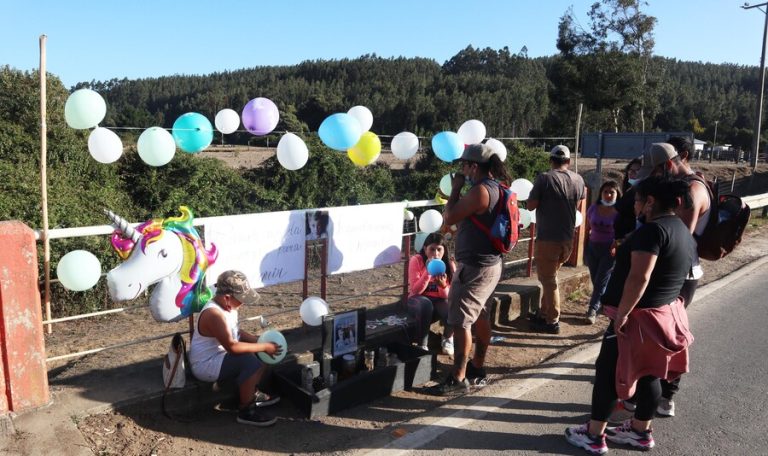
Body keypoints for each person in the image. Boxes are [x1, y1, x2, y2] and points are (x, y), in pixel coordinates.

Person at [564, 176, 696, 454]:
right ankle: (640, 431)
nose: (634, 205)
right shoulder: (682, 230)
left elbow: (640, 277)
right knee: (650, 373)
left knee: (608, 372)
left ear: (650, 202)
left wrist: (622, 315)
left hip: (637, 317)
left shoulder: (652, 231)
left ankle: (594, 435)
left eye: (636, 200)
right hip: (663, 314)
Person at [433, 143, 511, 395]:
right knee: (480, 316)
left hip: (475, 268)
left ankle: (458, 377)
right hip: (490, 264)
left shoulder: (480, 192)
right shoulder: (497, 187)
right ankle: (477, 367)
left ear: (473, 166)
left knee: (461, 322)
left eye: (463, 164)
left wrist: (455, 189)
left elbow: (450, 217)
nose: (460, 169)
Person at [189, 270, 283, 427]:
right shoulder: (214, 315)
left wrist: (259, 341)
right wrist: (264, 346)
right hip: (205, 364)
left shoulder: (228, 308)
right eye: (241, 299)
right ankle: (246, 410)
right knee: (250, 361)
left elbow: (236, 332)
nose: (243, 303)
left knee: (259, 354)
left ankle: (250, 393)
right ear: (227, 297)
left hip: (220, 356)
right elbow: (232, 347)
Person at [527, 145, 586, 334]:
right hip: (568, 239)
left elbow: (530, 206)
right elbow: (578, 203)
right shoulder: (578, 179)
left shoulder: (545, 178)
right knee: (550, 278)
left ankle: (552, 321)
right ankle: (543, 313)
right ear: (568, 162)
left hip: (548, 238)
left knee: (549, 280)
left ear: (550, 160)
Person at [406, 232, 456, 355]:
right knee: (426, 304)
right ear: (425, 249)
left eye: (439, 249)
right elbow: (415, 290)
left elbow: (450, 295)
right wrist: (427, 273)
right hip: (418, 299)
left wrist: (443, 286)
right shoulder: (416, 260)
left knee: (453, 308)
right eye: (431, 249)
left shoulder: (449, 265)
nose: (435, 254)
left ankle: (448, 338)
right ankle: (422, 344)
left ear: (444, 250)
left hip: (439, 300)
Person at [584, 180, 621, 324]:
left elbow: (623, 232)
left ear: (617, 194)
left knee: (601, 280)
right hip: (593, 247)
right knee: (596, 279)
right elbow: (587, 228)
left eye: (612, 192)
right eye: (605, 192)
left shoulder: (620, 211)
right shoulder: (593, 208)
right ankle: (606, 303)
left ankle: (592, 309)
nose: (608, 195)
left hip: (610, 250)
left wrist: (616, 244)